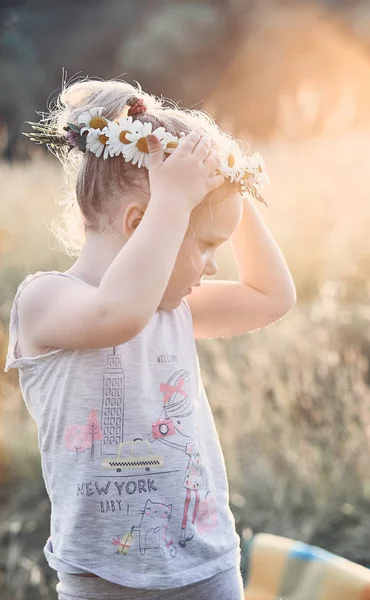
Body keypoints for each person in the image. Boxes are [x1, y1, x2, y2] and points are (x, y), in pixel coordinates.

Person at [4, 79, 296, 600]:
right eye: (206, 245)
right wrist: (174, 201)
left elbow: (269, 296)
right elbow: (119, 313)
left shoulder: (172, 306)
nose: (211, 267)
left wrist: (232, 184)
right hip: (105, 579)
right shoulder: (46, 302)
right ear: (142, 223)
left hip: (207, 566)